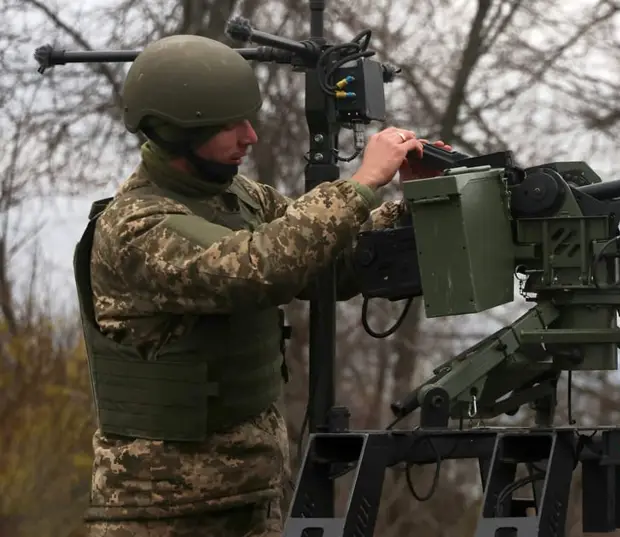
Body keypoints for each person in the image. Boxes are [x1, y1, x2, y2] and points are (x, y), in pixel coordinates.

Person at [73, 34, 450, 537]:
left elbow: (327, 258)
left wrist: (417, 202)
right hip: (159, 508)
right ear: (177, 131)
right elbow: (256, 269)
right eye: (230, 126)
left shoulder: (239, 197)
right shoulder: (136, 227)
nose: (250, 136)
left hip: (253, 495)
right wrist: (360, 184)